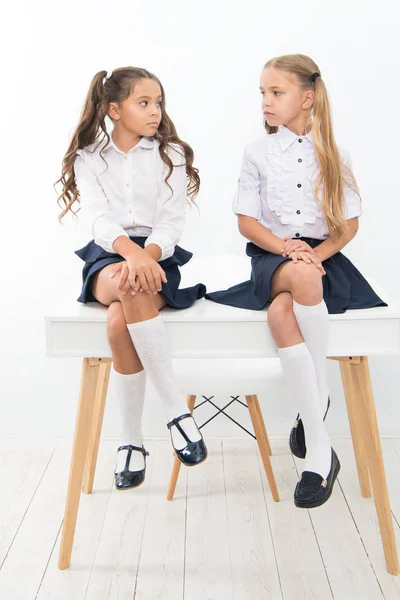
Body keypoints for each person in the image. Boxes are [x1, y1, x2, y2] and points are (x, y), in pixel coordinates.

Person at [206, 54, 386, 508]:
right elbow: (247, 222)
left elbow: (348, 225)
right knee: (299, 278)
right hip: (272, 255)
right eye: (262, 93)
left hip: (322, 261)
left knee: (285, 309)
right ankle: (320, 438)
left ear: (307, 98)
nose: (265, 101)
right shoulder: (257, 152)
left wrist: (315, 254)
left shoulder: (334, 154)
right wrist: (290, 249)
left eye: (276, 92)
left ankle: (315, 425)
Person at [56, 67, 208, 490]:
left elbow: (172, 221)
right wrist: (131, 254)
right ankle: (177, 412)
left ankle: (131, 443)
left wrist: (148, 256)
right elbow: (97, 218)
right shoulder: (90, 158)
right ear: (114, 109)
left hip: (158, 256)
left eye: (158, 102)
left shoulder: (171, 155)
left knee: (119, 319)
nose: (155, 111)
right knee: (125, 282)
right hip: (110, 255)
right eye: (144, 103)